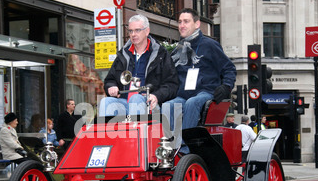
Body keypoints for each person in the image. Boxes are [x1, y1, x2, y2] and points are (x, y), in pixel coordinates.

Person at [163, 8, 237, 153]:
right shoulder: (177, 50)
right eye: (179, 22)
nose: (182, 25)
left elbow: (229, 68)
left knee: (192, 103)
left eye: (186, 21)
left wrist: (226, 86)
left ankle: (185, 148)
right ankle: (170, 147)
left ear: (197, 24)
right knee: (167, 105)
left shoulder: (210, 45)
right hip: (183, 95)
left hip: (206, 93)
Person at [99, 14, 179, 116]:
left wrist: (156, 96)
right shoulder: (123, 55)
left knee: (135, 99)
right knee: (106, 102)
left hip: (149, 103)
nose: (133, 34)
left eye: (137, 30)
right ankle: (109, 132)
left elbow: (172, 84)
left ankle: (136, 132)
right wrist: (111, 86)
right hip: (124, 102)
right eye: (131, 31)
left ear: (147, 31)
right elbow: (110, 80)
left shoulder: (161, 54)